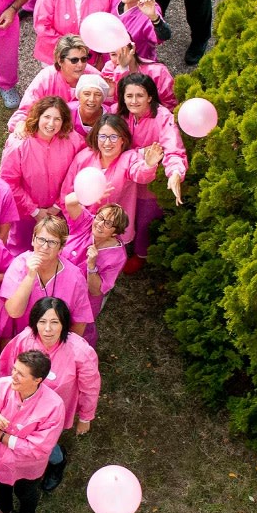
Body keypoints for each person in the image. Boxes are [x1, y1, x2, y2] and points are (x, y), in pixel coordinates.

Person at [0, 298, 99, 494]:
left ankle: (57, 461)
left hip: (53, 414)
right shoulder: (24, 340)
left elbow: (90, 387)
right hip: (21, 404)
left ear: (64, 324)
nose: (47, 329)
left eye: (54, 322)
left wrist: (86, 417)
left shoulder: (80, 351)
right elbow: (6, 366)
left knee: (47, 443)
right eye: (42, 322)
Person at [0, 349, 66, 513]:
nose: (13, 376)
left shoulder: (54, 406)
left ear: (37, 380)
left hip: (26, 466)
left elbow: (38, 448)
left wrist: (1, 436)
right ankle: (5, 511)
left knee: (27, 493)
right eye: (14, 369)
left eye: (21, 374)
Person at [116, 71, 186, 267]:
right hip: (125, 179)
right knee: (122, 216)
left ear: (150, 96)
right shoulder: (119, 114)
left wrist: (175, 173)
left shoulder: (163, 118)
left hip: (150, 183)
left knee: (146, 219)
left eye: (140, 95)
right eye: (129, 96)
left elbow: (173, 149)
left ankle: (140, 254)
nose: (134, 101)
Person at [0, 98, 85, 249]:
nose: (51, 124)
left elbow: (79, 172)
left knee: (55, 248)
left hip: (60, 212)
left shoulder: (73, 140)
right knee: (21, 248)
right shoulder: (18, 143)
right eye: (47, 117)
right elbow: (9, 183)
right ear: (37, 116)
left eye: (57, 119)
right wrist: (34, 211)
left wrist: (58, 205)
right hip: (25, 214)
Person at [66, 116, 162, 246]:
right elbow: (67, 191)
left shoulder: (129, 158)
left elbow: (140, 174)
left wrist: (149, 165)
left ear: (123, 139)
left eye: (113, 137)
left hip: (114, 232)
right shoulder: (83, 157)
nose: (107, 143)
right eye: (103, 137)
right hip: (84, 227)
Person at [0, 208, 93, 334]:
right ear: (33, 239)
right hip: (24, 339)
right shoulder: (19, 265)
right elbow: (14, 311)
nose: (45, 247)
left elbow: (80, 322)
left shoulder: (74, 276)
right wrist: (30, 276)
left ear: (61, 247)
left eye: (52, 242)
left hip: (56, 342)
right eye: (41, 239)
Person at [64, 201, 128, 341]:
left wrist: (91, 266)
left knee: (73, 336)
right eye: (99, 217)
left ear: (115, 232)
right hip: (60, 288)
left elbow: (96, 291)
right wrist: (92, 194)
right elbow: (69, 201)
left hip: (82, 300)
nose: (99, 223)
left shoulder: (117, 256)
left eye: (108, 223)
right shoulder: (87, 223)